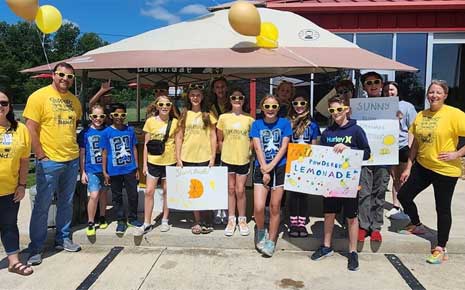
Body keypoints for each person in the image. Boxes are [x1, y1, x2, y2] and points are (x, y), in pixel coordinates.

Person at [398, 80, 465, 264]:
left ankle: (440, 247)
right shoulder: (421, 115)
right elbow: (416, 145)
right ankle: (417, 224)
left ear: (445, 95)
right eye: (431, 92)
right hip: (423, 166)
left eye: (438, 92)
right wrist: (409, 167)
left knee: (442, 208)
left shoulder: (454, 114)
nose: (433, 95)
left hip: (446, 170)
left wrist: (457, 153)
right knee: (404, 195)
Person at [24, 62, 82, 266]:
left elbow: (73, 126)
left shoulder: (74, 101)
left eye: (69, 77)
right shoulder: (38, 97)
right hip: (49, 161)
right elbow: (30, 128)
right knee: (42, 205)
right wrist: (40, 156)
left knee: (66, 203)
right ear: (53, 75)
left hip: (71, 159)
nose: (65, 79)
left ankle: (63, 238)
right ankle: (36, 247)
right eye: (61, 75)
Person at [311, 95, 371, 271]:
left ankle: (353, 252)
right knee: (329, 214)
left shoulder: (356, 130)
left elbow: (367, 153)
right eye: (332, 110)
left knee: (351, 217)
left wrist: (350, 149)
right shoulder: (327, 133)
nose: (336, 113)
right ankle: (326, 246)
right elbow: (321, 157)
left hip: (350, 182)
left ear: (346, 110)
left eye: (339, 109)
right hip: (331, 181)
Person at [250, 94, 292, 257]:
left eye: (274, 107)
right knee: (259, 207)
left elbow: (284, 147)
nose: (270, 110)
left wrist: (270, 168)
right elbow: (257, 147)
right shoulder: (257, 124)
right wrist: (264, 169)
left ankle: (272, 239)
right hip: (261, 166)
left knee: (275, 206)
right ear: (262, 108)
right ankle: (261, 230)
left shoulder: (284, 123)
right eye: (267, 106)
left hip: (279, 167)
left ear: (278, 108)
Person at [175, 83, 217, 235]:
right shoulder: (184, 114)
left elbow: (213, 136)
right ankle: (197, 221)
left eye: (198, 95)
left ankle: (207, 220)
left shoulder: (208, 114)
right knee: (193, 191)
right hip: (187, 157)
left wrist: (213, 157)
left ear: (202, 97)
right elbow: (179, 137)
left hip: (204, 157)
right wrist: (178, 158)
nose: (195, 98)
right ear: (188, 97)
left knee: (205, 190)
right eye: (192, 95)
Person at [0, 92, 33, 275]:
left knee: (9, 225)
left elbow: (24, 160)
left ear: (9, 106)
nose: (0, 106)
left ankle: (13, 262)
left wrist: (22, 185)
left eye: (3, 102)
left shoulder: (20, 129)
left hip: (9, 189)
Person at [138, 95, 179, 235]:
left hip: (170, 161)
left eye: (167, 104)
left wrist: (179, 161)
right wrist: (144, 165)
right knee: (149, 191)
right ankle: (147, 222)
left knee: (167, 192)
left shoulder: (175, 122)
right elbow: (146, 145)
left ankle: (165, 219)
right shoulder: (150, 122)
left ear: (171, 106)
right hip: (153, 161)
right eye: (161, 104)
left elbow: (178, 143)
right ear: (156, 105)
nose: (164, 107)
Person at [217, 88, 254, 236]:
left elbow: (252, 139)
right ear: (230, 99)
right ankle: (231, 219)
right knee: (230, 189)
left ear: (244, 100)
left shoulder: (250, 119)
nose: (237, 100)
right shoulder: (223, 117)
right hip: (227, 158)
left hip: (243, 159)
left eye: (240, 98)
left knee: (240, 190)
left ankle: (242, 219)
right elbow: (220, 139)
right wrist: (224, 152)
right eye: (234, 97)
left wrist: (248, 152)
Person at [357, 71, 390, 243]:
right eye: (369, 83)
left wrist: (397, 119)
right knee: (364, 192)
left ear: (382, 85)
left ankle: (376, 227)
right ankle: (363, 226)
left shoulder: (391, 106)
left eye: (376, 81)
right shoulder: (359, 107)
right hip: (365, 157)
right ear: (364, 87)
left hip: (384, 156)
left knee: (380, 191)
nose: (373, 85)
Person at [100, 103, 142, 235]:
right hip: (114, 170)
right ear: (111, 116)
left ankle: (133, 218)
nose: (119, 117)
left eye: (122, 114)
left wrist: (136, 167)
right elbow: (104, 152)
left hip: (129, 168)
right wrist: (105, 171)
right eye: (116, 114)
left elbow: (134, 148)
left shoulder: (129, 130)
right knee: (117, 196)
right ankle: (121, 220)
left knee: (133, 195)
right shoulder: (106, 132)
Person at [287, 93, 321, 237]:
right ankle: (293, 223)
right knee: (293, 194)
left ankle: (301, 223)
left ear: (307, 104)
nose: (299, 106)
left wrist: (312, 163)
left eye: (302, 103)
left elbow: (315, 145)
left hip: (306, 162)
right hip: (292, 161)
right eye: (296, 104)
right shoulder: (288, 122)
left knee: (303, 194)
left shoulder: (312, 124)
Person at [382, 81, 416, 220]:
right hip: (388, 147)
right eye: (386, 90)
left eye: (391, 89)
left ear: (397, 90)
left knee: (403, 178)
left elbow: (413, 127)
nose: (389, 92)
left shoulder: (407, 106)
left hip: (402, 146)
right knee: (395, 178)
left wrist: (410, 146)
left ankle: (406, 207)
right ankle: (396, 206)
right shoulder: (381, 106)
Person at [78, 104, 109, 237]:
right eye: (95, 116)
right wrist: (83, 171)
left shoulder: (107, 131)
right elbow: (82, 153)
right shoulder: (85, 133)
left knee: (103, 194)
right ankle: (90, 221)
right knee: (94, 195)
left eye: (101, 116)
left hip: (105, 169)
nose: (98, 119)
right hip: (91, 169)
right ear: (90, 117)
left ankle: (102, 216)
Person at [210, 76, 229, 225]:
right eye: (217, 87)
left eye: (222, 86)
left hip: (230, 148)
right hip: (214, 149)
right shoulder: (210, 106)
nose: (220, 89)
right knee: (216, 181)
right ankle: (217, 210)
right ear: (213, 90)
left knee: (229, 182)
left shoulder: (233, 103)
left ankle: (228, 210)